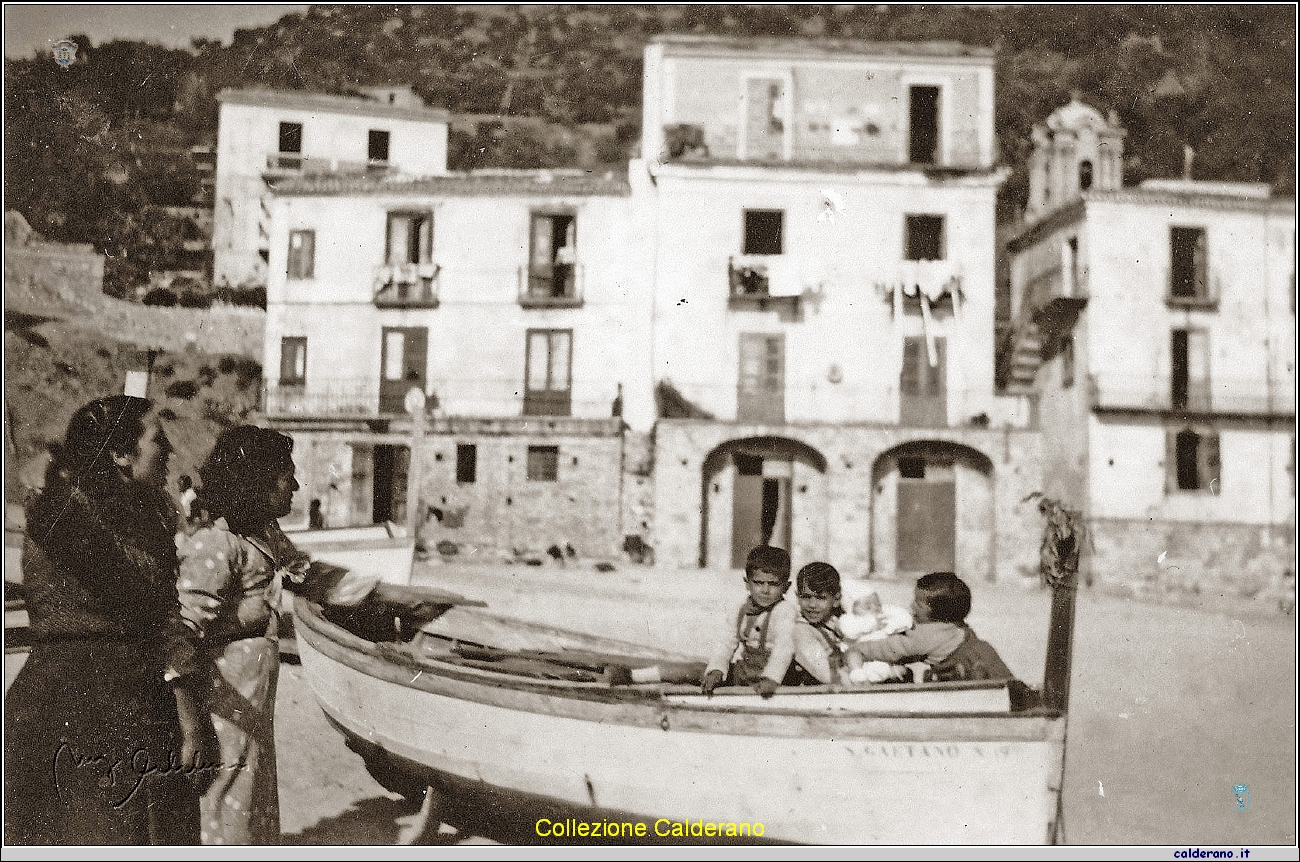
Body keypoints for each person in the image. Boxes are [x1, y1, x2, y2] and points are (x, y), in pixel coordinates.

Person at [178, 425, 438, 844]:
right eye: (286, 476)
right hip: (222, 708)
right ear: (257, 482)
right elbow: (181, 634)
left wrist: (387, 596)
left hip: (253, 709)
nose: (296, 484)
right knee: (224, 805)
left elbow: (310, 576)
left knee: (251, 801)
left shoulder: (262, 534)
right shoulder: (217, 543)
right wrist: (190, 721)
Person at [5, 395, 215, 845]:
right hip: (92, 709)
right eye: (159, 440)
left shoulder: (93, 512)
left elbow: (158, 618)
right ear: (121, 454)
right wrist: (192, 716)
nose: (172, 453)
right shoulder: (68, 519)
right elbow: (156, 616)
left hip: (92, 702)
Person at [844, 572, 1013, 684]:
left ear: (937, 611)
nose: (911, 606)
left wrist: (854, 658)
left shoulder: (921, 637)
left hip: (973, 676)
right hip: (988, 660)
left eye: (918, 603)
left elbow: (865, 650)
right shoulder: (955, 625)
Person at [700, 545, 797, 699]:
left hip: (774, 678)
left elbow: (784, 646)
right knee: (697, 670)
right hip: (745, 672)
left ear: (786, 587)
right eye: (758, 583)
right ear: (747, 583)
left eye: (773, 584)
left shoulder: (784, 611)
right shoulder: (741, 610)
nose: (765, 590)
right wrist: (716, 669)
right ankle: (650, 677)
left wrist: (772, 678)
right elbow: (726, 641)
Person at [783, 561, 847, 686]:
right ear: (797, 596)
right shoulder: (800, 631)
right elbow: (827, 675)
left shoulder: (838, 623)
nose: (812, 605)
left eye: (820, 598)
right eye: (806, 597)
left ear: (836, 599)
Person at [840, 585, 913, 684]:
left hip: (882, 657)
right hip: (861, 660)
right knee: (853, 657)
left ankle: (888, 674)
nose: (874, 608)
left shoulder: (883, 617)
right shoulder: (849, 619)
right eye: (867, 606)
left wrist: (890, 626)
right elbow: (849, 631)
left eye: (878, 604)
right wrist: (872, 623)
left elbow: (904, 619)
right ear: (851, 608)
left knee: (898, 668)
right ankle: (858, 675)